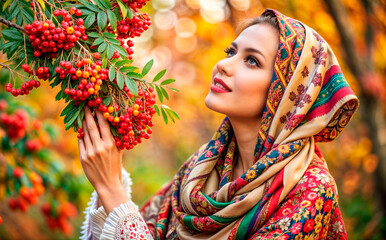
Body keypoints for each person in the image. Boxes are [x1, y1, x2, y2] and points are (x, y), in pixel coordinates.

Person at [78, 9, 358, 240]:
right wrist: (107, 180)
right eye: (230, 51)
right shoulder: (201, 169)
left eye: (251, 61)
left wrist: (112, 190)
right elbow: (142, 229)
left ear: (287, 94)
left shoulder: (309, 190)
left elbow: (127, 221)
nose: (223, 65)